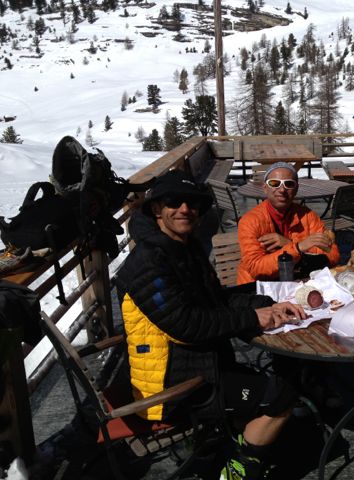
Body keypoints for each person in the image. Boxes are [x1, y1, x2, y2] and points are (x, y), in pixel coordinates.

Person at [114, 169, 308, 480]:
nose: (185, 209)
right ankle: (239, 470)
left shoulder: (183, 248)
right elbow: (185, 325)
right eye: (174, 202)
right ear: (156, 209)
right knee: (281, 396)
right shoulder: (148, 261)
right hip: (171, 386)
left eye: (193, 204)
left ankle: (243, 442)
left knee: (279, 379)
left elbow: (215, 301)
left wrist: (269, 305)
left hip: (200, 365)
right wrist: (251, 317)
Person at [237, 162, 340, 285]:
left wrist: (291, 245)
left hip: (298, 283)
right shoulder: (250, 221)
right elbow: (256, 269)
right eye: (274, 183)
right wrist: (297, 248)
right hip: (259, 288)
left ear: (296, 189)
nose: (281, 190)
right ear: (265, 188)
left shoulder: (307, 216)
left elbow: (333, 256)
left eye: (289, 184)